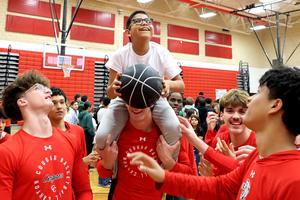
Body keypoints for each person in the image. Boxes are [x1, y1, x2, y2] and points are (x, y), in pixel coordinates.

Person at [128, 66, 300, 200]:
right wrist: (163, 177)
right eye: (230, 110)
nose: (250, 99)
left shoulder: (294, 181)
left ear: (275, 105)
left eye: (259, 92)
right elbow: (218, 186)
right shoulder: (256, 157)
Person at [96, 10, 184, 154]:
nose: (144, 23)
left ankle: (166, 168)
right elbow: (110, 93)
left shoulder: (161, 52)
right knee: (101, 137)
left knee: (174, 129)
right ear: (128, 32)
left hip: (155, 99)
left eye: (148, 21)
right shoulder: (119, 55)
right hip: (124, 101)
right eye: (137, 21)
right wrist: (115, 88)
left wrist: (169, 84)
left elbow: (181, 85)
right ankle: (113, 169)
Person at [0, 70, 92, 199]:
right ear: (22, 102)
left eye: (46, 87)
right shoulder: (6, 152)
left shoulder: (71, 140)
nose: (48, 91)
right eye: (38, 88)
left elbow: (84, 191)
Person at [203, 89, 256, 175]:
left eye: (242, 111)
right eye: (230, 111)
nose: (235, 116)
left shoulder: (260, 145)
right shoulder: (219, 140)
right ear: (221, 115)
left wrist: (233, 165)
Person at [48, 87, 99, 167]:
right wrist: (83, 162)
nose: (59, 106)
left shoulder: (78, 131)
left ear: (66, 105)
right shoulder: (44, 134)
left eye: (62, 102)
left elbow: (83, 163)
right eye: (54, 103)